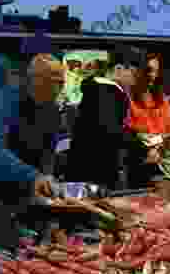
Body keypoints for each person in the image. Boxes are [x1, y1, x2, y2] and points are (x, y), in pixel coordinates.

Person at [0, 34, 66, 206]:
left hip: (31, 192)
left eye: (61, 83)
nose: (58, 89)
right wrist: (34, 176)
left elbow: (48, 152)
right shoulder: (2, 102)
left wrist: (47, 178)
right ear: (35, 79)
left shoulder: (52, 110)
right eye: (54, 82)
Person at [66, 45, 160, 190]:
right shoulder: (108, 92)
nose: (136, 79)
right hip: (94, 173)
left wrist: (137, 138)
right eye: (134, 73)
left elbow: (111, 127)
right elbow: (111, 131)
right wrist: (143, 149)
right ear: (118, 69)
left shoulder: (99, 89)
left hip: (85, 169)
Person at [128, 52, 170, 138]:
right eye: (149, 70)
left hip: (163, 147)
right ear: (136, 71)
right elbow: (132, 132)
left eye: (156, 71)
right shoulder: (127, 98)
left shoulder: (160, 98)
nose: (153, 75)